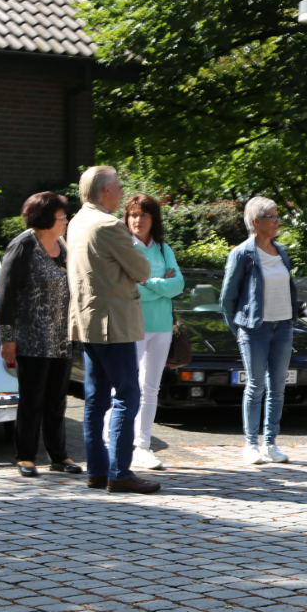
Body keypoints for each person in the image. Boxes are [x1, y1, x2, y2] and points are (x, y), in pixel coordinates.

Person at [67, 166, 161, 494]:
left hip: (88, 322)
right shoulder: (108, 225)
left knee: (95, 399)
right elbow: (142, 269)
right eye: (119, 187)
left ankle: (98, 470)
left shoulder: (77, 222)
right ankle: (119, 472)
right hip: (114, 324)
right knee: (127, 395)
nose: (122, 192)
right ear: (106, 191)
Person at [0, 192, 83, 478]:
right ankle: (26, 457)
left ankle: (59, 456)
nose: (66, 220)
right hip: (32, 338)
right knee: (32, 400)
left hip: (62, 338)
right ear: (46, 219)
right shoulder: (23, 245)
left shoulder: (63, 246)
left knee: (57, 400)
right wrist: (7, 338)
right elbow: (5, 294)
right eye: (62, 216)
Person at [220, 197, 299, 465]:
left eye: (277, 216)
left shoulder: (282, 251)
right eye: (272, 217)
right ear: (256, 222)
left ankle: (270, 444)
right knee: (256, 386)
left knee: (278, 387)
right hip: (254, 328)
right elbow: (227, 298)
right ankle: (251, 444)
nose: (278, 221)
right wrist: (239, 329)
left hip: (283, 326)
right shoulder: (242, 253)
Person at [123, 194, 184, 469]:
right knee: (126, 387)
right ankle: (114, 442)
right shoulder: (125, 246)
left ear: (153, 218)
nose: (138, 220)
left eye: (144, 214)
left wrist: (147, 282)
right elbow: (129, 289)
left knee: (150, 389)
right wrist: (161, 285)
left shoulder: (163, 248)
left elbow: (178, 285)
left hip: (162, 327)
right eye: (133, 214)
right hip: (132, 325)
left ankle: (142, 446)